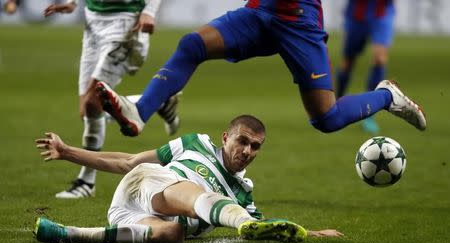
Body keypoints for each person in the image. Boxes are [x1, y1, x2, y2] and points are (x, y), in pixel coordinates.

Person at [94, 0, 426, 138]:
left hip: (297, 19)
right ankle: (140, 111)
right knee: (192, 45)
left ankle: (386, 96)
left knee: (327, 118)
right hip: (259, 11)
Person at [35, 115, 343, 243]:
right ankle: (238, 222)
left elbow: (273, 226)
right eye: (242, 141)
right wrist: (67, 152)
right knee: (196, 197)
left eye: (256, 146)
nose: (247, 151)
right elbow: (128, 162)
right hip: (148, 182)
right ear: (226, 137)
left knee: (173, 234)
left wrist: (314, 233)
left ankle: (69, 233)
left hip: (130, 214)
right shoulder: (197, 144)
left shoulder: (243, 194)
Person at [43, 0, 180, 199]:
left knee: (93, 102)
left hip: (125, 23)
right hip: (92, 22)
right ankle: (156, 100)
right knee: (88, 111)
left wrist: (149, 11)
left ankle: (86, 182)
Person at [335, 0, 396, 134]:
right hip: (357, 13)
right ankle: (335, 107)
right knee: (348, 62)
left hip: (381, 13)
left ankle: (370, 115)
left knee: (380, 59)